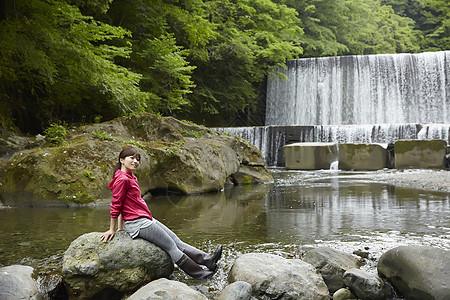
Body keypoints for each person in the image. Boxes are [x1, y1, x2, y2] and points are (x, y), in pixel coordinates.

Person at [100, 147, 222, 279]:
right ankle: (200, 274)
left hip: (144, 219)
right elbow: (116, 204)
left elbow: (124, 204)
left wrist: (120, 227)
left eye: (138, 159)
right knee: (171, 247)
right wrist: (112, 229)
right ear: (122, 160)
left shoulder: (130, 177)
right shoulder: (122, 179)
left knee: (177, 242)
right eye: (132, 158)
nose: (135, 161)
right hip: (138, 223)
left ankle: (207, 260)